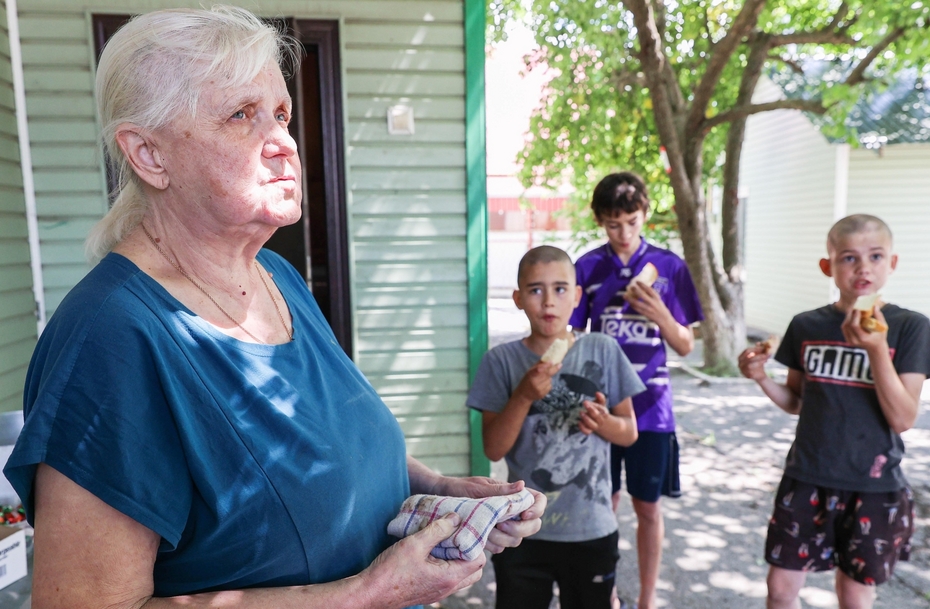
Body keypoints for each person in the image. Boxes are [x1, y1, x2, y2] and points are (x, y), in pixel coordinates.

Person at [1, 7, 545, 608]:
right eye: (242, 115)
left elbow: (327, 439)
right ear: (149, 155)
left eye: (281, 113)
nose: (284, 141)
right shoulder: (110, 341)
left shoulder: (276, 277)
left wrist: (435, 487)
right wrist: (369, 593)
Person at [738, 214, 930, 609]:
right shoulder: (807, 325)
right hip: (807, 476)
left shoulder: (911, 327)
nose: (863, 268)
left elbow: (903, 418)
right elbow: (797, 402)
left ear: (891, 264)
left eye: (876, 256)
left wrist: (877, 348)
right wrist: (760, 377)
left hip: (873, 484)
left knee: (854, 594)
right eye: (848, 258)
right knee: (780, 589)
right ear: (828, 266)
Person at [468, 245, 645, 609]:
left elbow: (629, 431)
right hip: (522, 528)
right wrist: (522, 396)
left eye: (560, 289)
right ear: (517, 298)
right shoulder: (500, 361)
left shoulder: (603, 349)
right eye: (535, 290)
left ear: (577, 296)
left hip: (592, 528)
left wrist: (604, 422)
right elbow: (493, 448)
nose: (548, 301)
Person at [568, 172, 704, 609]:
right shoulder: (587, 268)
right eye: (612, 224)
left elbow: (685, 344)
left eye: (631, 221)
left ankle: (647, 598)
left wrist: (663, 315)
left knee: (648, 508)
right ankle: (603, 592)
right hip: (602, 410)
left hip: (653, 410)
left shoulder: (670, 267)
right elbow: (571, 340)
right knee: (601, 505)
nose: (623, 233)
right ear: (600, 221)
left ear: (645, 213)